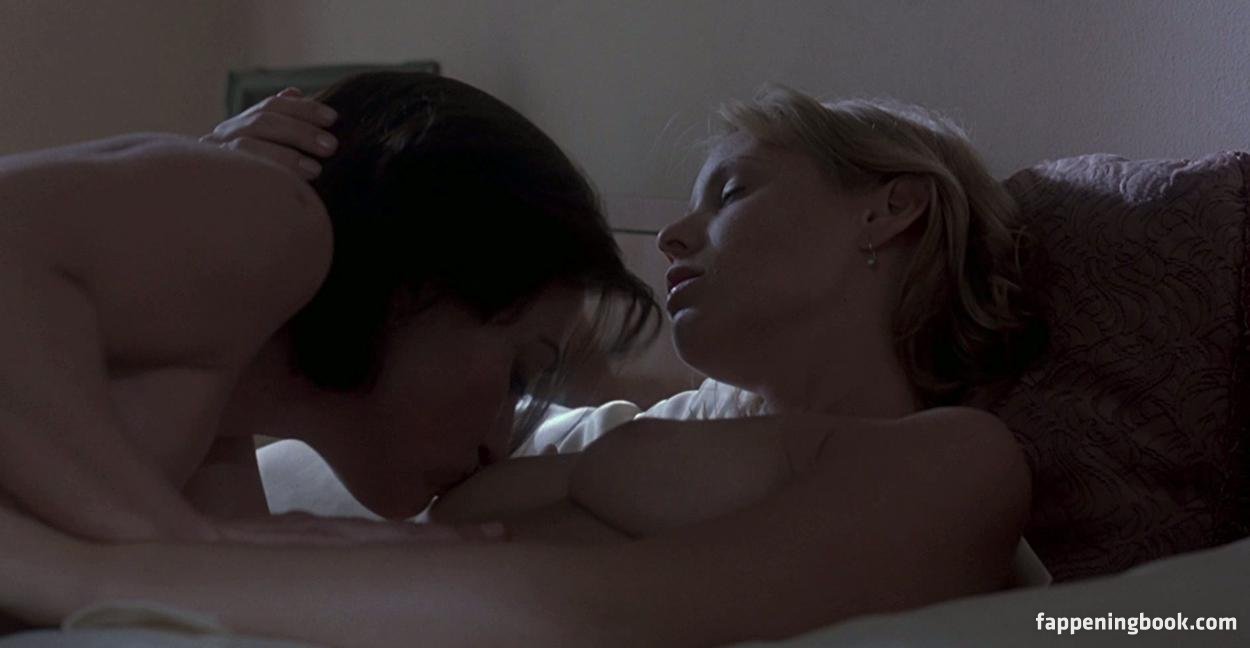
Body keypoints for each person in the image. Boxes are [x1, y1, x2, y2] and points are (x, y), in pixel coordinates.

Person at [0, 85, 1043, 646]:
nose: (672, 235)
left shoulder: (960, 459)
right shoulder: (610, 437)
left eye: (731, 192)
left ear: (889, 208)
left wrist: (88, 569)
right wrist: (189, 219)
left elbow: (601, 614)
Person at [0, 70, 656, 551]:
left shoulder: (216, 417)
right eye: (517, 376)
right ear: (423, 281)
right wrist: (162, 532)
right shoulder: (276, 218)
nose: (497, 445)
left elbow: (229, 597)